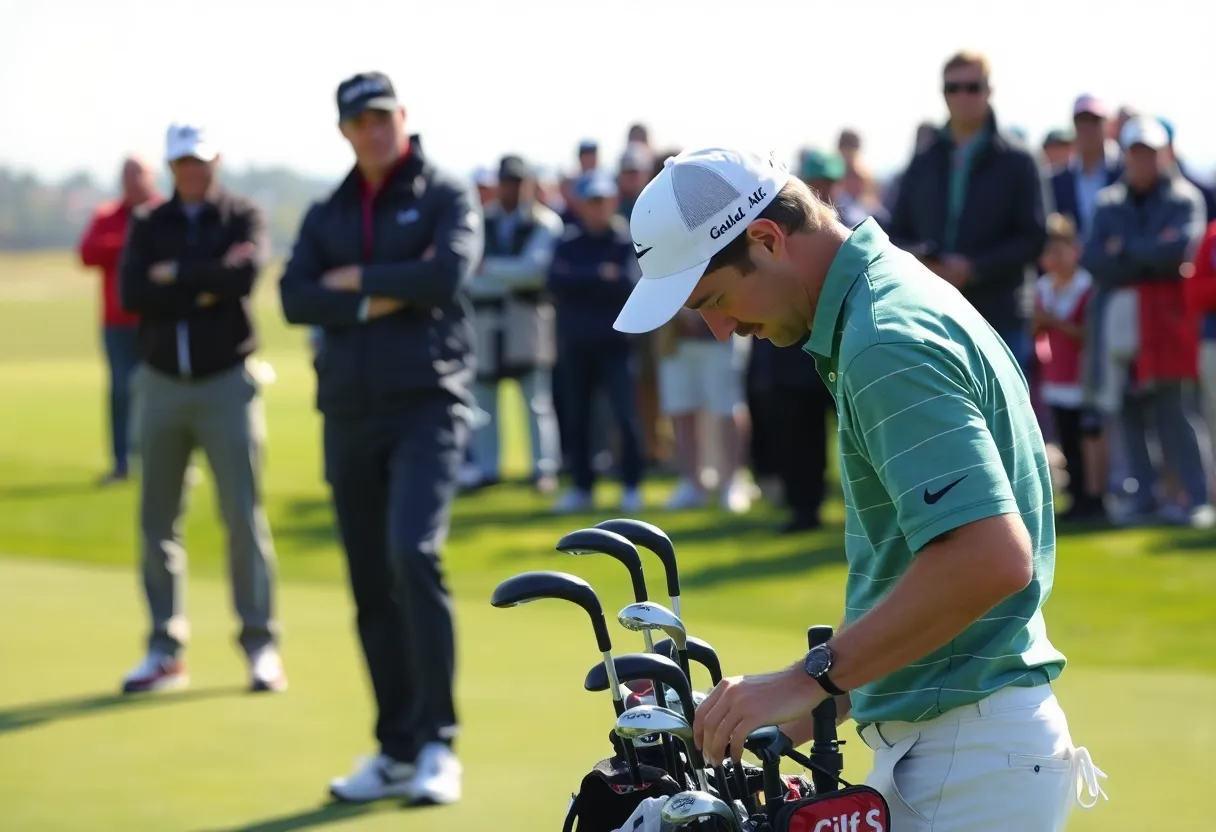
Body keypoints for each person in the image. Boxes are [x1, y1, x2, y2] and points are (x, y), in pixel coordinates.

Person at [612, 147, 1108, 831]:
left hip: (966, 763)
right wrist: (797, 717)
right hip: (957, 749)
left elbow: (989, 558)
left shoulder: (883, 340)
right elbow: (919, 577)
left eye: (716, 300)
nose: (721, 330)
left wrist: (802, 679)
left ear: (766, 238)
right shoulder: (881, 304)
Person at [278, 71, 481, 806]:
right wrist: (386, 292)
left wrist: (354, 283)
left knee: (412, 554)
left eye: (383, 115)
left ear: (403, 116)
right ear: (344, 131)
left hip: (427, 403)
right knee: (370, 580)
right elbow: (294, 295)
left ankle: (437, 742)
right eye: (359, 120)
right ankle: (395, 746)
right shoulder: (329, 207)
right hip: (349, 410)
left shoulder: (444, 194)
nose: (373, 129)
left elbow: (447, 274)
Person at [117, 123, 283, 695]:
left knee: (242, 515)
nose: (193, 169)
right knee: (157, 522)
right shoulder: (148, 223)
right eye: (183, 161)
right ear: (171, 166)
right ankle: (165, 649)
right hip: (162, 382)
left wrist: (178, 274)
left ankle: (260, 645)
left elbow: (243, 275)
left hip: (225, 383)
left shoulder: (240, 215)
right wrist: (203, 281)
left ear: (216, 161)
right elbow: (134, 292)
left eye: (202, 160)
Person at [1081, 115, 1213, 527]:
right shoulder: (1109, 201)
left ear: (1163, 154)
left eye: (1150, 152)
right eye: (1136, 152)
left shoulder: (1183, 197)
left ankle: (1195, 497)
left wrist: (1125, 251)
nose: (1143, 160)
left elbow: (1176, 253)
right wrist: (1144, 253)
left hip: (1167, 323)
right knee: (1126, 410)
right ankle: (1143, 498)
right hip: (1119, 325)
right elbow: (1096, 259)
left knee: (1175, 410)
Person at [887, 50, 1048, 370]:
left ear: (989, 91)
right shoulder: (923, 161)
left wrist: (974, 268)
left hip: (999, 318)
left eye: (972, 87)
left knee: (1003, 419)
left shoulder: (1019, 160)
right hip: (931, 316)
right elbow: (896, 233)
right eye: (953, 88)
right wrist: (924, 259)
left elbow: (1034, 238)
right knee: (936, 419)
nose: (962, 96)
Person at [546, 171, 645, 513]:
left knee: (625, 417)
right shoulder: (568, 242)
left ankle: (631, 485)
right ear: (581, 206)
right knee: (578, 419)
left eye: (602, 202)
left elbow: (628, 283)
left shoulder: (623, 241)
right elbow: (556, 281)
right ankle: (582, 487)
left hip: (615, 346)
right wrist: (598, 275)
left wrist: (583, 279)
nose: (597, 209)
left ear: (612, 203)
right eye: (591, 202)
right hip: (576, 346)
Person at [464, 154, 563, 493]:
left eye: (519, 182)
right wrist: (510, 273)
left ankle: (543, 470)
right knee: (484, 401)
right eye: (507, 181)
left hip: (528, 320)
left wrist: (488, 268)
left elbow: (535, 272)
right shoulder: (479, 221)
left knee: (536, 401)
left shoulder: (545, 222)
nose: (513, 188)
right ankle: (488, 470)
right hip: (485, 320)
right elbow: (466, 275)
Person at [78, 156, 160, 484]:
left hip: (158, 318)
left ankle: (167, 463)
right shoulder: (107, 215)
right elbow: (87, 253)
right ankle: (122, 461)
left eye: (138, 174)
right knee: (122, 391)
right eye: (126, 174)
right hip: (117, 322)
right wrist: (130, 244)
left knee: (164, 391)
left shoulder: (165, 214)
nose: (133, 181)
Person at [1033, 214, 1105, 520]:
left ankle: (1094, 499)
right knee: (1067, 441)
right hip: (1055, 377)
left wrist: (1054, 323)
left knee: (1088, 439)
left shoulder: (1087, 286)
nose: (1054, 260)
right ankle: (1076, 499)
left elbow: (1089, 334)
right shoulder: (1043, 287)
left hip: (1084, 378)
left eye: (1059, 252)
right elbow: (1035, 330)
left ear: (1074, 250)